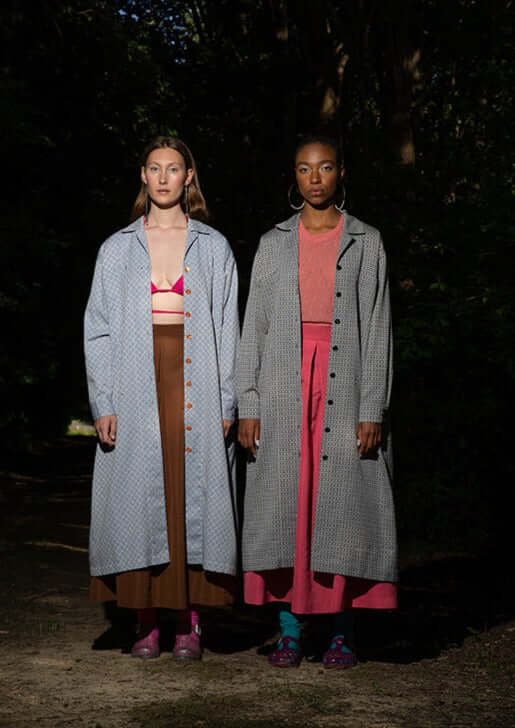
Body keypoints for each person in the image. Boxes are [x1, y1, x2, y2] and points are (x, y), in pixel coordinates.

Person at [237, 134, 397, 669]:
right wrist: (248, 401)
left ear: (341, 173)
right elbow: (254, 326)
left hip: (344, 383)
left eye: (325, 167)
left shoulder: (366, 241)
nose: (315, 178)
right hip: (284, 385)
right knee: (288, 505)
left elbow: (378, 326)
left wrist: (371, 406)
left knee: (342, 508)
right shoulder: (273, 242)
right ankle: (288, 631)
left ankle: (342, 633)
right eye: (305, 169)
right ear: (294, 176)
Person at [84, 135, 239, 660]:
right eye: (155, 168)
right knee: (139, 498)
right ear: (143, 176)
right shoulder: (117, 248)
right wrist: (104, 401)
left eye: (174, 169)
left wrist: (226, 400)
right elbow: (98, 328)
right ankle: (146, 620)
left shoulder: (212, 246)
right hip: (134, 382)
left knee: (188, 495)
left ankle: (189, 621)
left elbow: (228, 326)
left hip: (196, 380)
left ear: (188, 176)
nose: (164, 178)